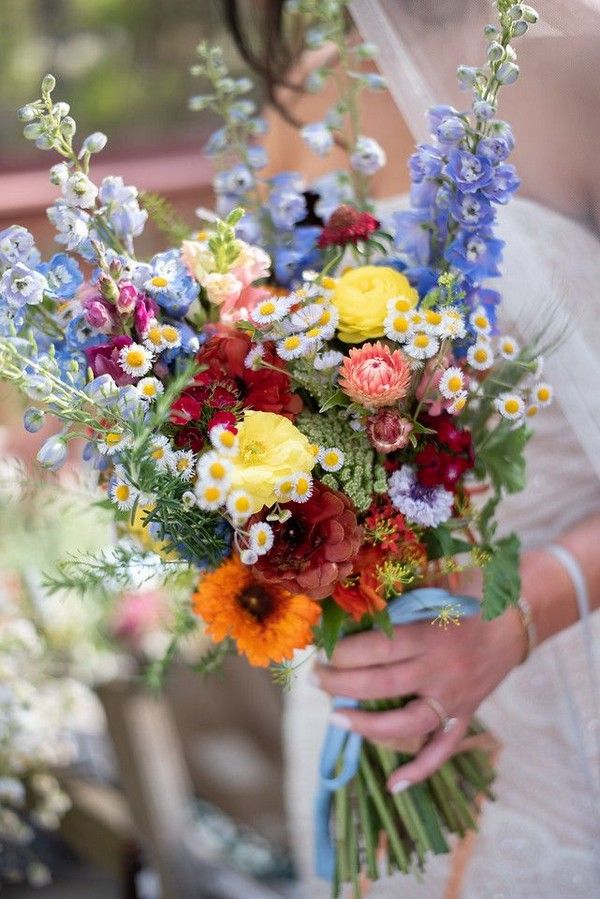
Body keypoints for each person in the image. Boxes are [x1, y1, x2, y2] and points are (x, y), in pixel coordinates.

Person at [225, 2, 600, 895]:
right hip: (366, 692)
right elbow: (259, 364)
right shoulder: (305, 93)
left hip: (565, 657)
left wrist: (521, 615)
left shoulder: (583, 65)